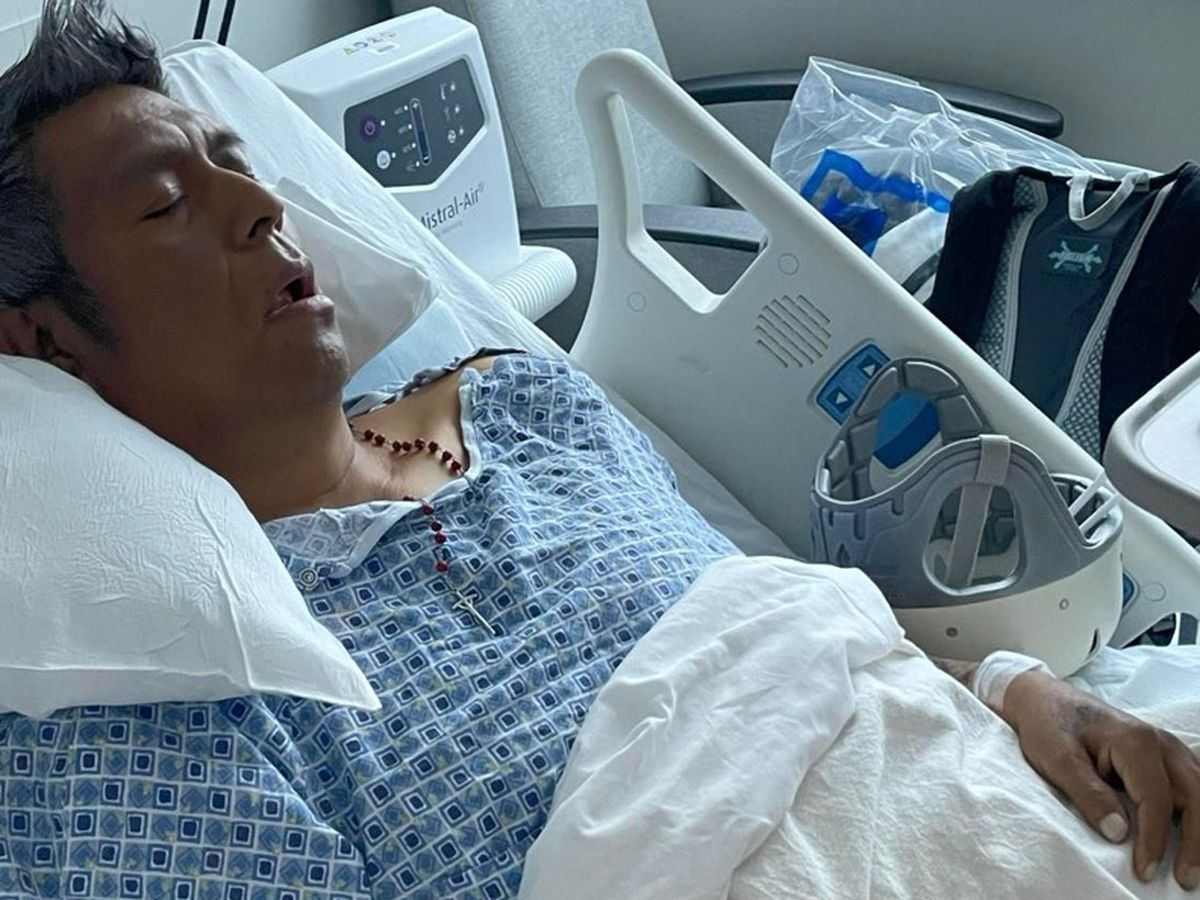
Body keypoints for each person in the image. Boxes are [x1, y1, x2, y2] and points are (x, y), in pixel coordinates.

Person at [0, 1, 1198, 896]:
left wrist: (1018, 693)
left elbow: (776, 641)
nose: (260, 208)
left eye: (238, 164)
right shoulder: (151, 704)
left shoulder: (523, 405)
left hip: (1012, 801)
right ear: (43, 341)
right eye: (164, 204)